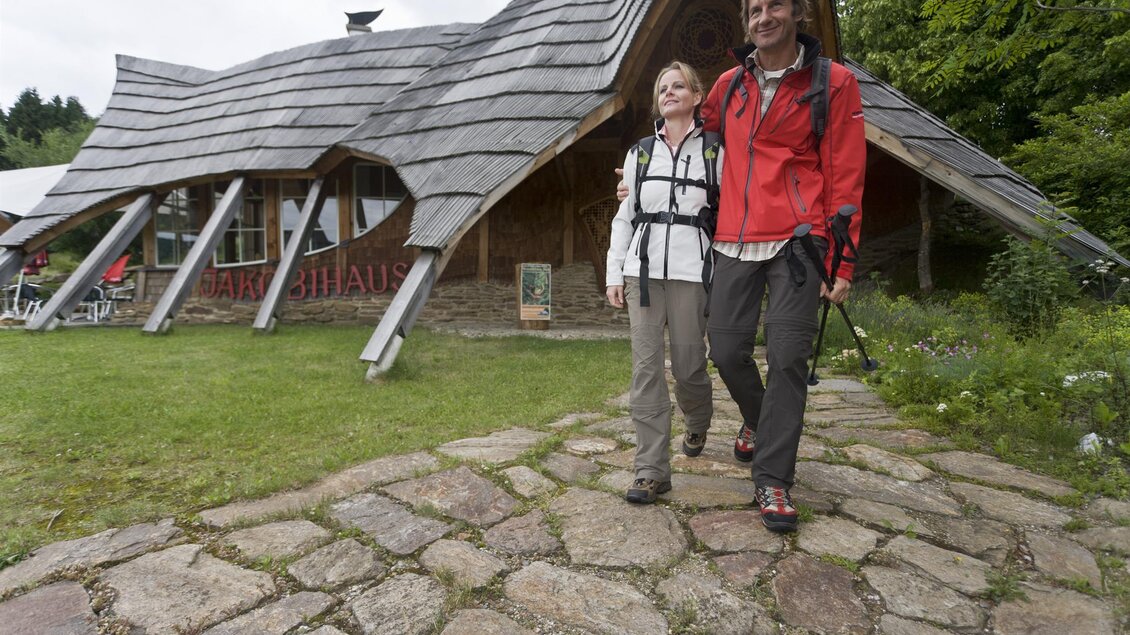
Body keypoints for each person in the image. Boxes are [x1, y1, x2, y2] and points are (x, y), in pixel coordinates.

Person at [700, 0, 866, 531]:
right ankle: (757, 420)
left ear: (797, 14)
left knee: (789, 355)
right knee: (725, 348)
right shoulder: (728, 84)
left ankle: (773, 478)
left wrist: (842, 261)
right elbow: (692, 136)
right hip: (733, 236)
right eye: (753, 9)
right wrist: (640, 175)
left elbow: (846, 174)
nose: (762, 17)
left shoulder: (832, 83)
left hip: (802, 240)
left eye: (774, 6)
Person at [606, 61, 722, 504]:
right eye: (662, 88)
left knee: (691, 366)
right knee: (646, 369)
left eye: (678, 86)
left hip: (694, 273)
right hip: (643, 274)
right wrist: (616, 270)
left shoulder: (715, 151)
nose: (668, 93)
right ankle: (651, 469)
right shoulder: (638, 154)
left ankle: (698, 420)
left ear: (696, 96)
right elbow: (625, 216)